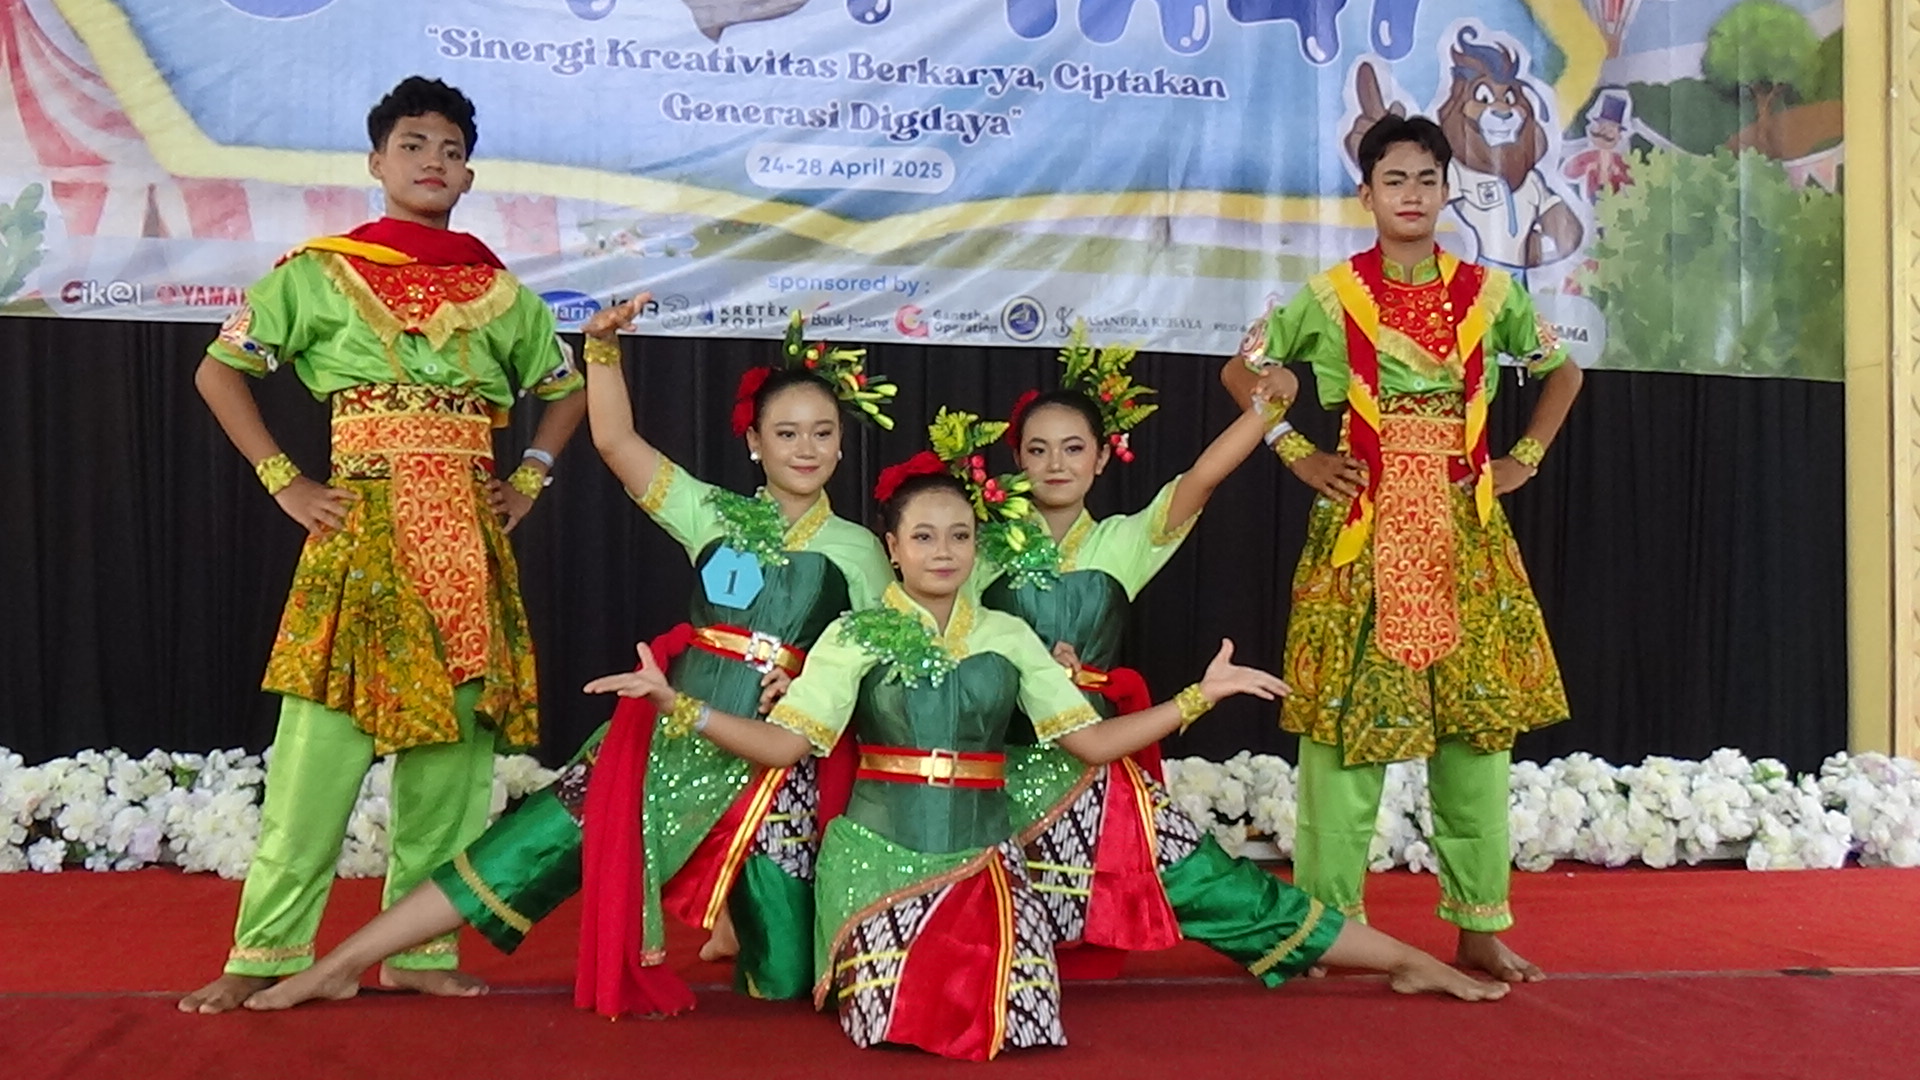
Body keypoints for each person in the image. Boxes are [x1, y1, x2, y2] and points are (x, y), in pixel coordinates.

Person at [589, 416, 1504, 1061]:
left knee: (1184, 893)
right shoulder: (893, 605)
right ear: (894, 547)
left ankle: (1402, 957)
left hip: (1040, 784)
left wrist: (1199, 696)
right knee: (896, 1011)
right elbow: (801, 740)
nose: (945, 550)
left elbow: (1195, 494)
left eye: (957, 534)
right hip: (895, 837)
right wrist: (685, 701)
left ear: (1103, 458)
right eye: (925, 536)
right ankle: (752, 940)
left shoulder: (1029, 608)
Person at [242, 302, 896, 1016]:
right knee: (523, 845)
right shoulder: (711, 513)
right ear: (755, 443)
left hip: (774, 781)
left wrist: (808, 681)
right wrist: (602, 349)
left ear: (840, 447)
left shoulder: (861, 552)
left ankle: (734, 916)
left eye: (822, 433)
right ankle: (343, 962)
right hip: (671, 741)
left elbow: (876, 665)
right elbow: (616, 441)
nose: (805, 448)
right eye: (786, 432)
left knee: (788, 987)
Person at [180, 76, 587, 1014]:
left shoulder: (499, 291)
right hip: (361, 540)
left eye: (448, 150)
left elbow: (563, 392)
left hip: (471, 551)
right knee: (315, 759)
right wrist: (286, 480)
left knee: (451, 762)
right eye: (413, 146)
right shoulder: (321, 273)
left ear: (470, 173)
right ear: (376, 163)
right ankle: (267, 950)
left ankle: (418, 949)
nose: (431, 163)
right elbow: (218, 370)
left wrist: (525, 477)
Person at [1223, 114, 1583, 984]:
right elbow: (1243, 371)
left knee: (1476, 738)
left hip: (1466, 536)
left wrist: (1523, 458)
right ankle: (1326, 927)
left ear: (1448, 189)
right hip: (1362, 534)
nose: (1412, 195)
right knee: (1344, 737)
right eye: (1395, 180)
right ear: (1367, 194)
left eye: (1427, 179)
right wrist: (1297, 451)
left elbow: (1561, 370)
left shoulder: (1490, 294)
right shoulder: (1330, 295)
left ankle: (1477, 927)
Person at [978, 329, 1305, 979]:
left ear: (1103, 458)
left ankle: (1308, 940)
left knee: (1201, 878)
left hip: (1089, 751)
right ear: (1017, 458)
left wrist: (1270, 408)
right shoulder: (980, 547)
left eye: (1074, 449)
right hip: (997, 755)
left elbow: (1205, 476)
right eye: (1038, 450)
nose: (1056, 463)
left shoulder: (1128, 541)